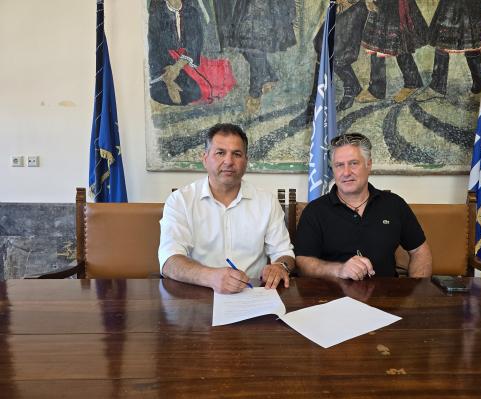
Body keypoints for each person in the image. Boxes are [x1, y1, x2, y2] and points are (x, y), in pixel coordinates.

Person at [158, 123, 295, 293]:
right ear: (205, 159)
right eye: (220, 153)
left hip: (252, 293)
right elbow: (169, 261)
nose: (229, 161)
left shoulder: (267, 202)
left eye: (237, 154)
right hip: (197, 294)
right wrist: (211, 277)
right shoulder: (180, 200)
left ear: (246, 161)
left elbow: (284, 253)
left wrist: (280, 266)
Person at [295, 133, 432, 280]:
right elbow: (303, 263)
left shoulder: (394, 205)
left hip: (386, 292)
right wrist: (339, 270)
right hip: (332, 293)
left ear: (369, 164)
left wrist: (417, 288)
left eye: (354, 163)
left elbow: (419, 251)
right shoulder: (315, 211)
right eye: (339, 165)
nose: (346, 172)